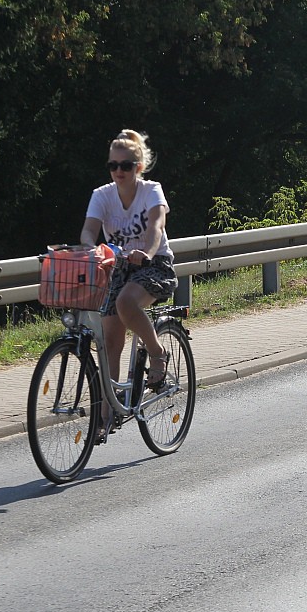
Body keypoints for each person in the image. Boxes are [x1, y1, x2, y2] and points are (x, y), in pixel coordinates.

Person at [79, 129, 177, 440]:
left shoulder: (151, 191)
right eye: (113, 166)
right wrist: (93, 250)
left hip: (153, 264)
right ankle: (107, 415)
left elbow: (156, 227)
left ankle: (157, 353)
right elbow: (87, 232)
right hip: (117, 268)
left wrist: (146, 253)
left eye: (125, 166)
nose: (118, 172)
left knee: (125, 303)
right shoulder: (102, 196)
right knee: (109, 342)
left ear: (138, 167)